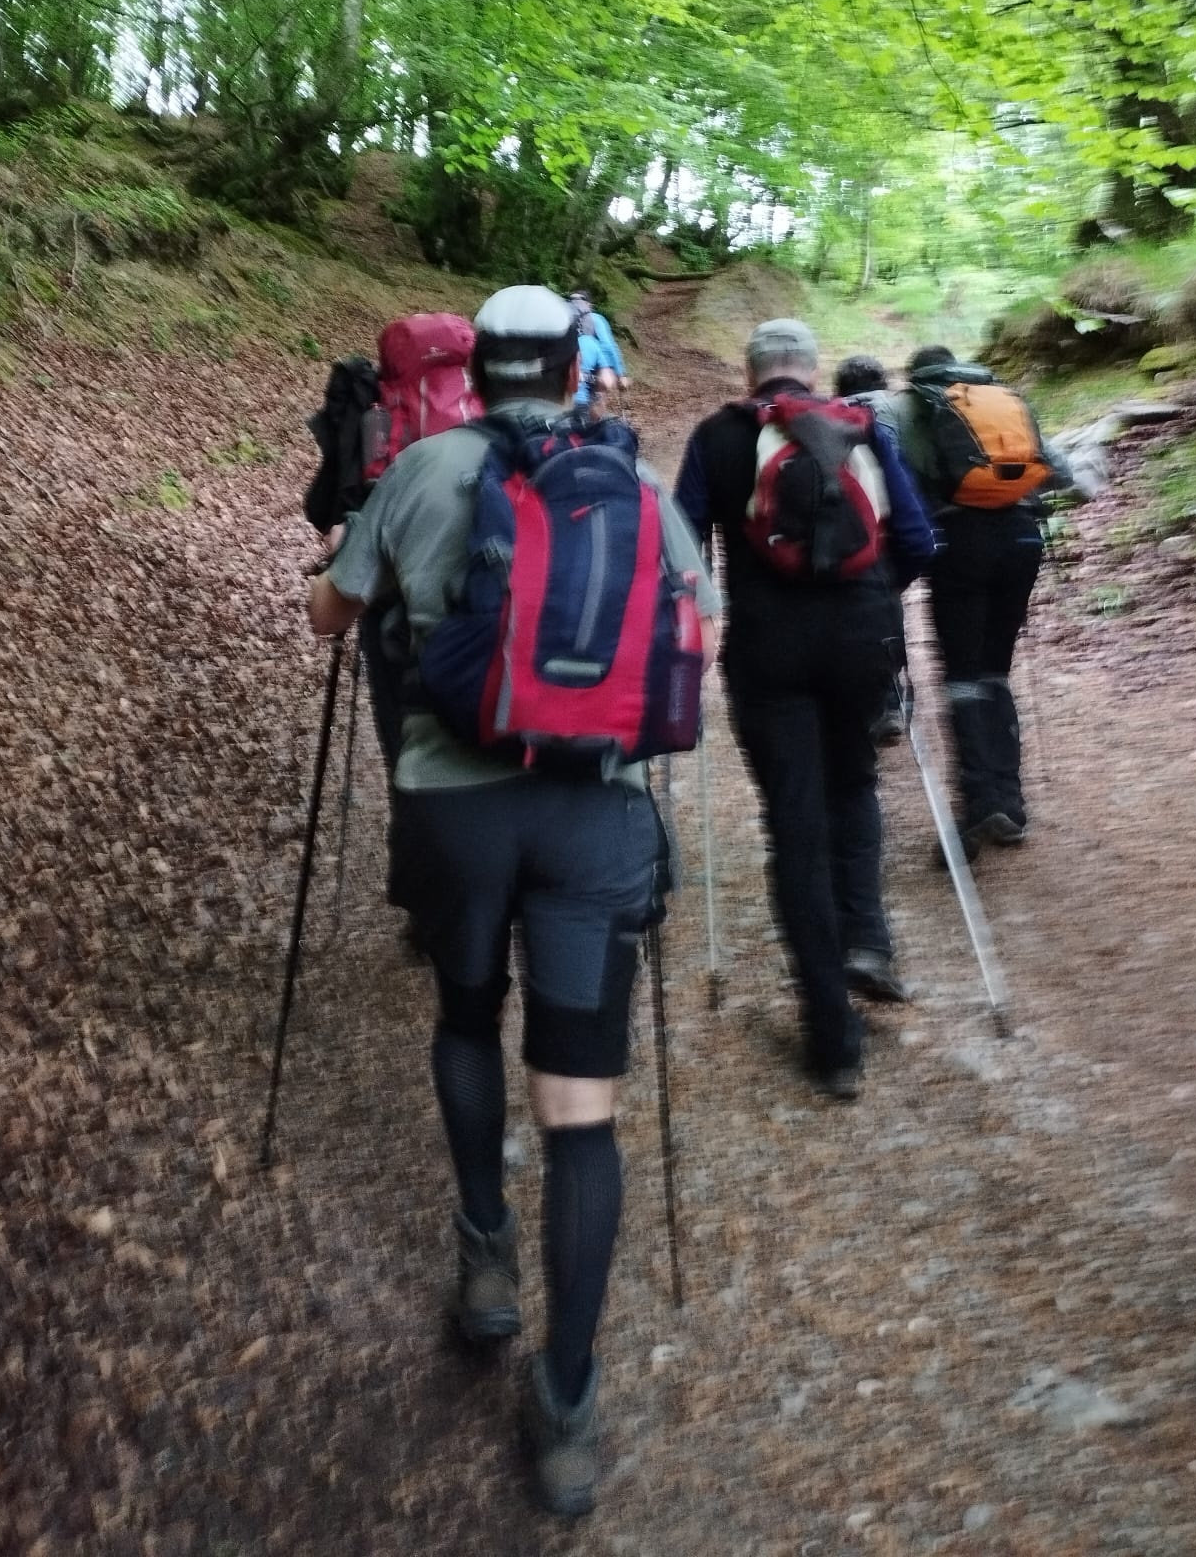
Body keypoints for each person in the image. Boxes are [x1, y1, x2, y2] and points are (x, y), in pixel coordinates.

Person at [307, 285, 718, 1517]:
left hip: (457, 813)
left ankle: (486, 1259)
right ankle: (569, 1404)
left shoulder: (422, 468)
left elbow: (330, 615)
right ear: (575, 373)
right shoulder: (631, 481)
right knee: (582, 1115)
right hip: (594, 821)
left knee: (465, 1014)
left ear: (478, 373)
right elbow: (695, 632)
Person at [675, 318, 935, 1098]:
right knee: (853, 784)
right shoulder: (860, 425)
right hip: (861, 644)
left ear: (748, 372)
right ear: (813, 372)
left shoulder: (719, 436)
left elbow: (681, 553)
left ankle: (833, 1040)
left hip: (768, 654)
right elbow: (918, 541)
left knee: (794, 824)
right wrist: (868, 597)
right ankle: (868, 939)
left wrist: (705, 621)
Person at [895, 344, 1072, 858]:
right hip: (1022, 540)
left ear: (917, 375)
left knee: (963, 677)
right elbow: (1058, 472)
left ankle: (981, 803)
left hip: (961, 546)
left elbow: (903, 483)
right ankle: (1012, 806)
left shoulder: (915, 407)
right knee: (996, 670)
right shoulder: (1002, 399)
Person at [834, 356, 906, 744]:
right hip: (895, 528)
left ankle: (871, 703)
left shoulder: (834, 417)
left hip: (852, 529)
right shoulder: (899, 411)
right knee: (889, 611)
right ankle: (891, 700)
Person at [568, 289, 629, 416]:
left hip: (562, 376)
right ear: (589, 305)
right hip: (591, 370)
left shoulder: (562, 318)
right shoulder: (596, 319)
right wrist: (620, 374)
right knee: (597, 399)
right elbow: (608, 346)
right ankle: (594, 422)